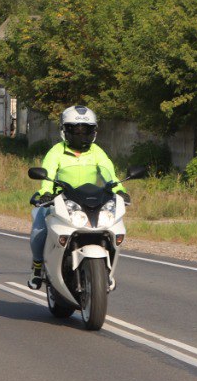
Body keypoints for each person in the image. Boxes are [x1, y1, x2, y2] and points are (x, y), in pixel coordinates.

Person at [27, 105, 128, 289]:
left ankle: (107, 273)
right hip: (61, 201)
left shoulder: (97, 152)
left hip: (92, 201)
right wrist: (45, 193)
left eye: (86, 130)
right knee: (39, 229)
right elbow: (48, 174)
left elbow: (109, 174)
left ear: (94, 131)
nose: (81, 134)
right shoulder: (57, 151)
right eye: (76, 129)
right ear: (65, 130)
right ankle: (37, 266)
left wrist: (119, 190)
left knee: (113, 228)